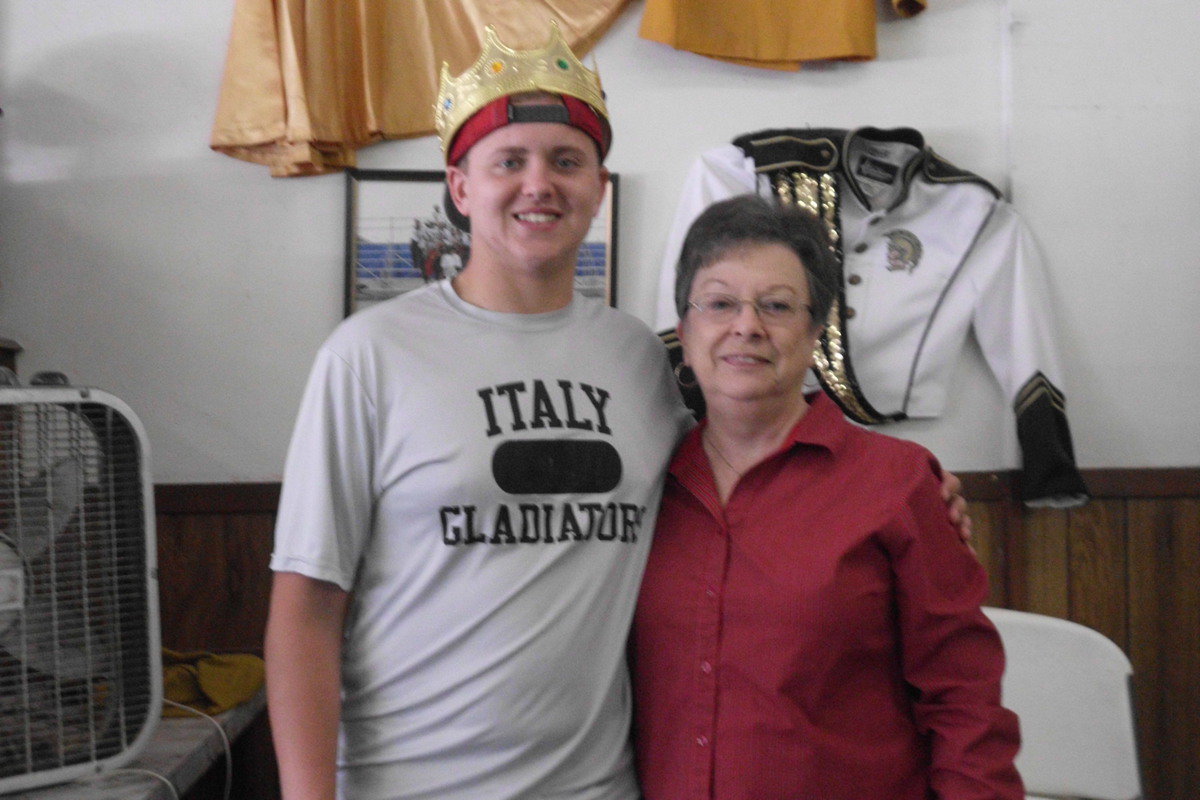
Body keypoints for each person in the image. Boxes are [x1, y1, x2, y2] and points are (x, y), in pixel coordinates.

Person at [265, 24, 972, 800]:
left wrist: (906, 491)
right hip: (406, 784)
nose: (540, 184)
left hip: (600, 785)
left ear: (598, 188)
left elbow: (750, 465)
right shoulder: (369, 356)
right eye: (510, 161)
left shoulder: (640, 358)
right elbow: (307, 610)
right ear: (461, 188)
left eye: (566, 161)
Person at [631, 195, 1022, 800]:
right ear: (684, 330)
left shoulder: (897, 484)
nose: (747, 326)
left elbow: (964, 699)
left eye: (777, 306)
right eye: (719, 303)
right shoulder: (640, 484)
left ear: (817, 331)